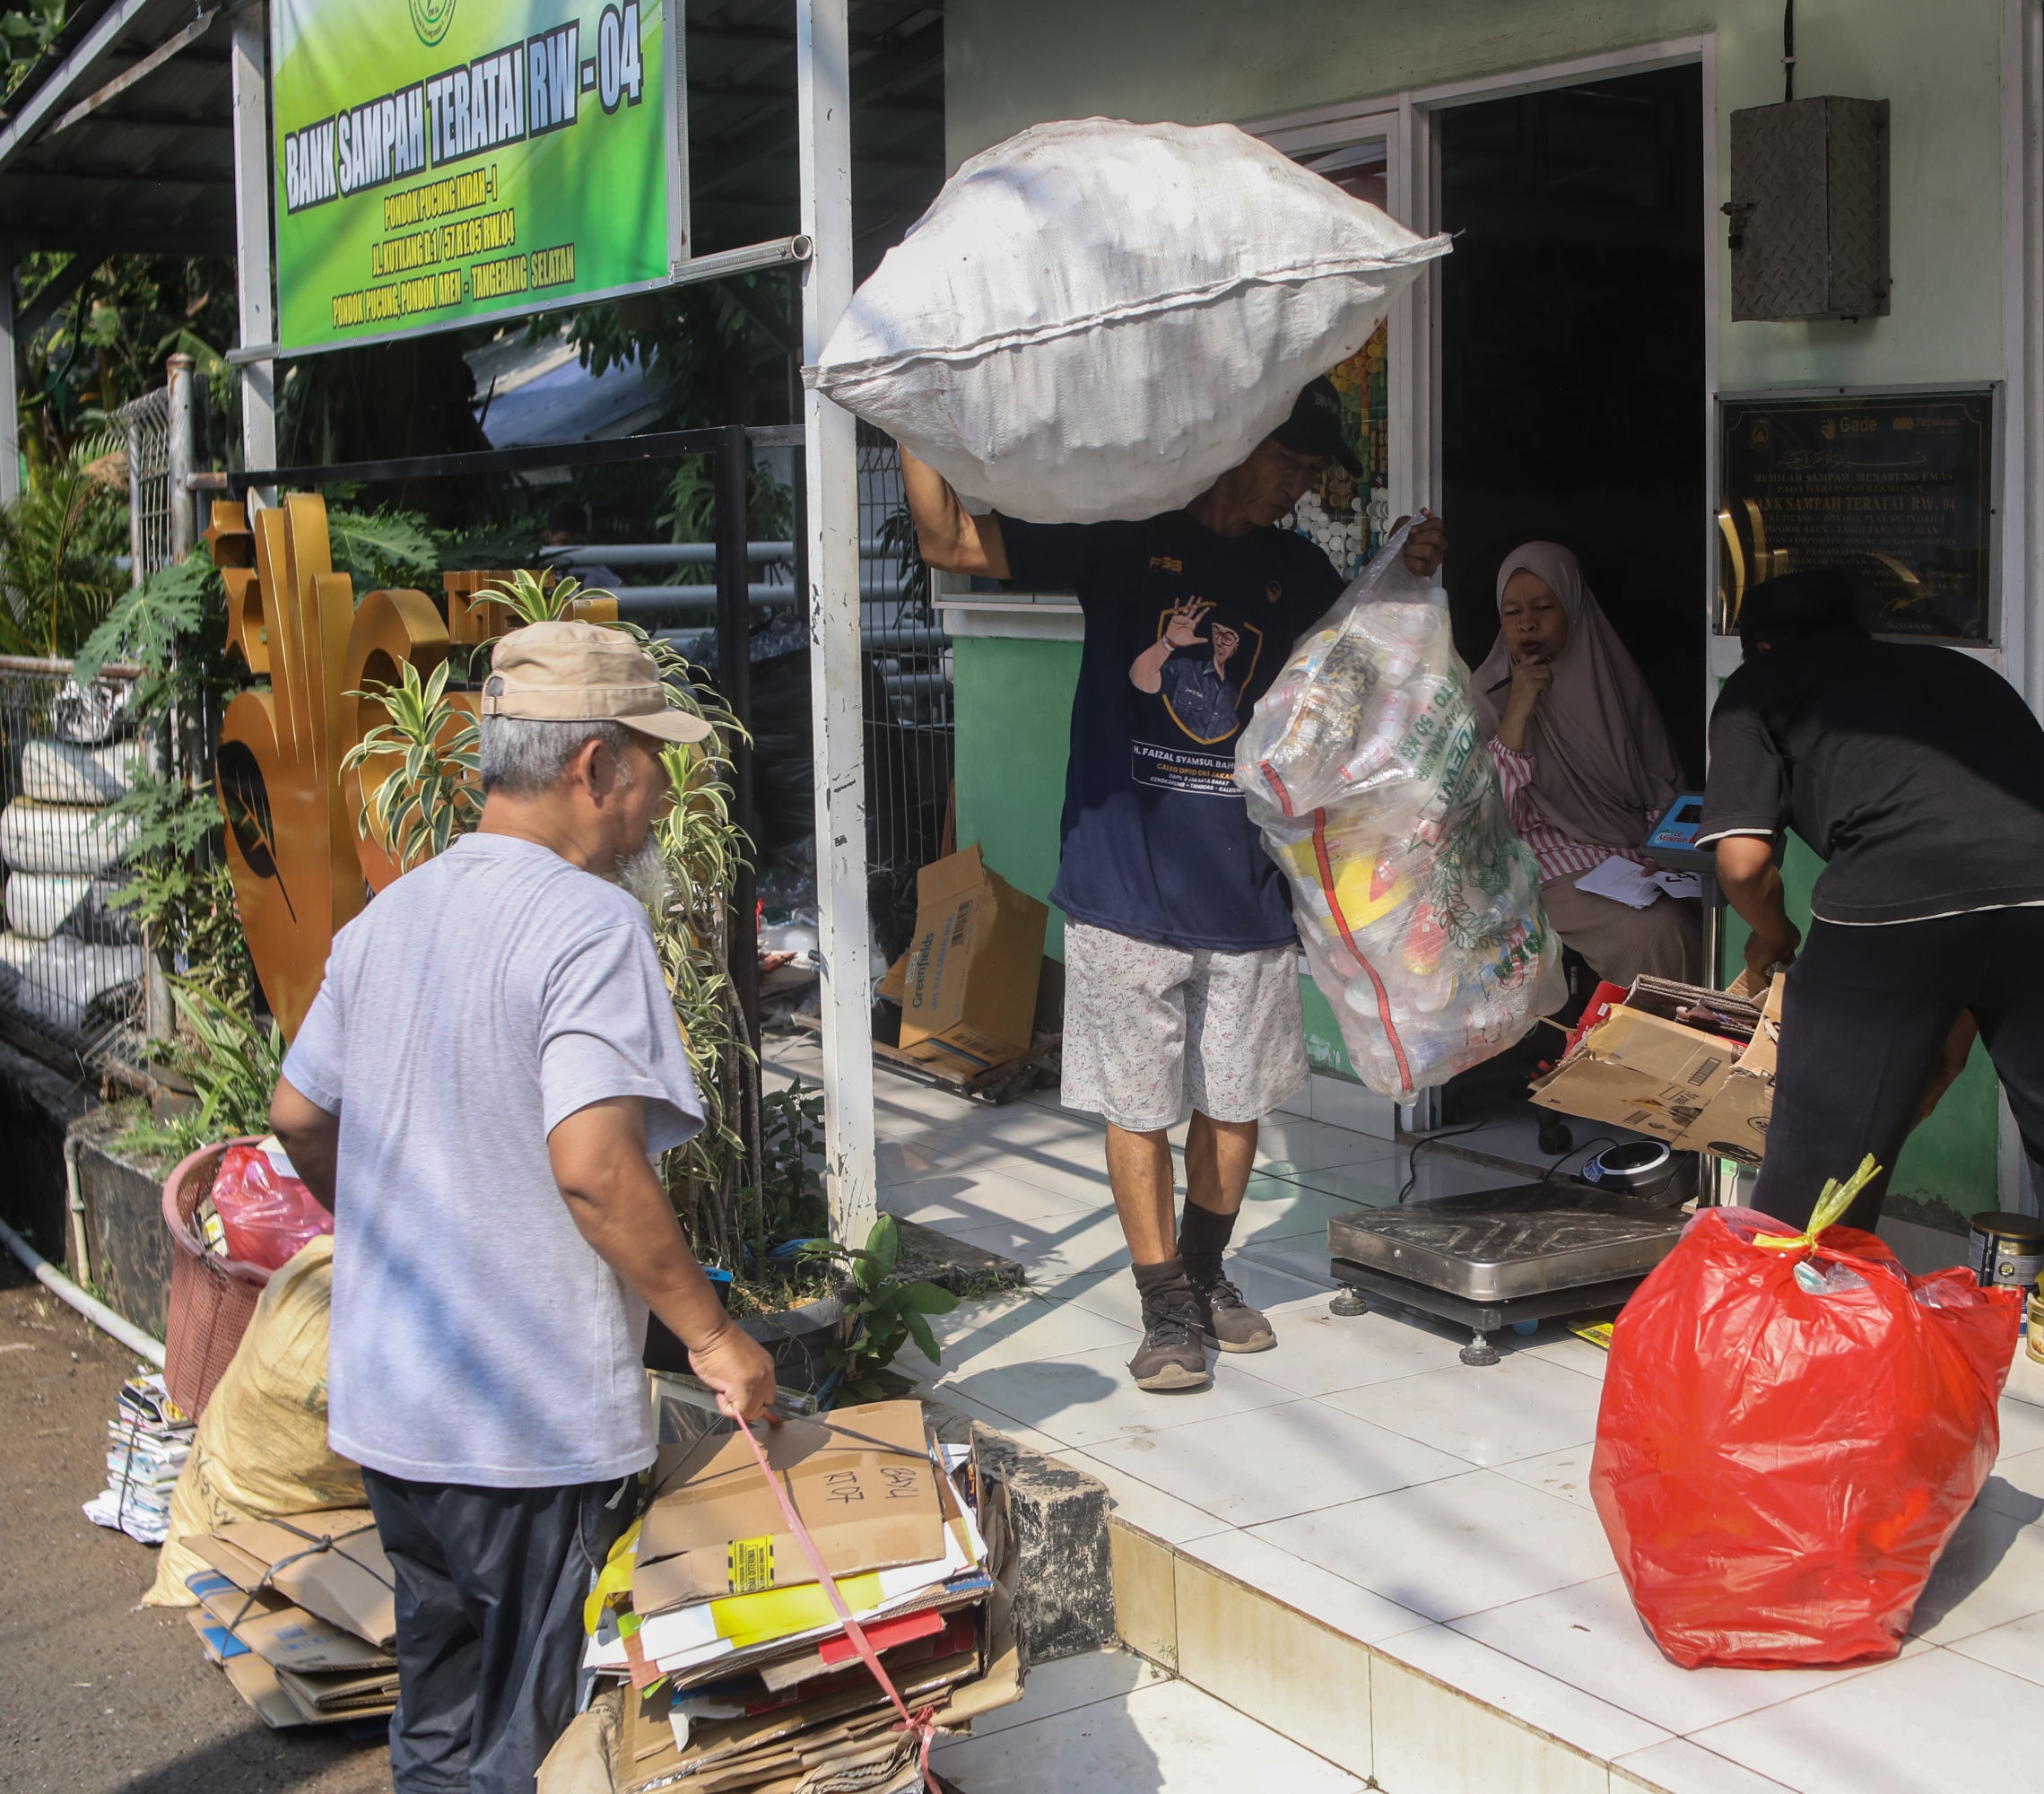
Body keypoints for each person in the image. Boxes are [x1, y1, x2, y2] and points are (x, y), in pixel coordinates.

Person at [266, 622, 779, 1793]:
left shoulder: (389, 916)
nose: (659, 801)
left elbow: (297, 1116)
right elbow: (597, 1166)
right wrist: (713, 1336)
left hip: (399, 1411)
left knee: (444, 1720)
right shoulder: (586, 925)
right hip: (523, 1426)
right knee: (524, 1744)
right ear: (594, 767)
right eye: (653, 767)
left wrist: (399, 1228)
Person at [902, 378, 1448, 1392]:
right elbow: (949, 542)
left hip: (1246, 891)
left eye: (1314, 473)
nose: (1298, 489)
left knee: (1234, 1103)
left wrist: (1408, 574)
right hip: (1124, 883)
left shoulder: (1295, 570)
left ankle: (1202, 1272)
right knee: (1138, 1102)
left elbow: (1370, 664)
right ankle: (1163, 1305)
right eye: (1290, 464)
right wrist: (908, 409)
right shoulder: (1122, 537)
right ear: (1242, 442)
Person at [1697, 571, 2044, 1467]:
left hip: (1887, 901)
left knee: (1822, 1151)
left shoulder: (1759, 686)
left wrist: (1777, 933)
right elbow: (1981, 871)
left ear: (1755, 645)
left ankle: (1772, 1382)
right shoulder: (1959, 677)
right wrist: (1947, 1032)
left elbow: (1743, 859)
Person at [1468, 542, 1699, 987]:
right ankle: (1655, 1053)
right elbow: (1483, 818)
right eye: (1512, 612)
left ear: (1574, 608)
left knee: (1709, 910)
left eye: (1542, 607)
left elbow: (1661, 785)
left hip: (1632, 855)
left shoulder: (1614, 681)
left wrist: (1664, 852)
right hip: (1538, 862)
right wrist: (1517, 713)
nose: (1527, 622)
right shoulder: (1486, 694)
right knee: (1656, 932)